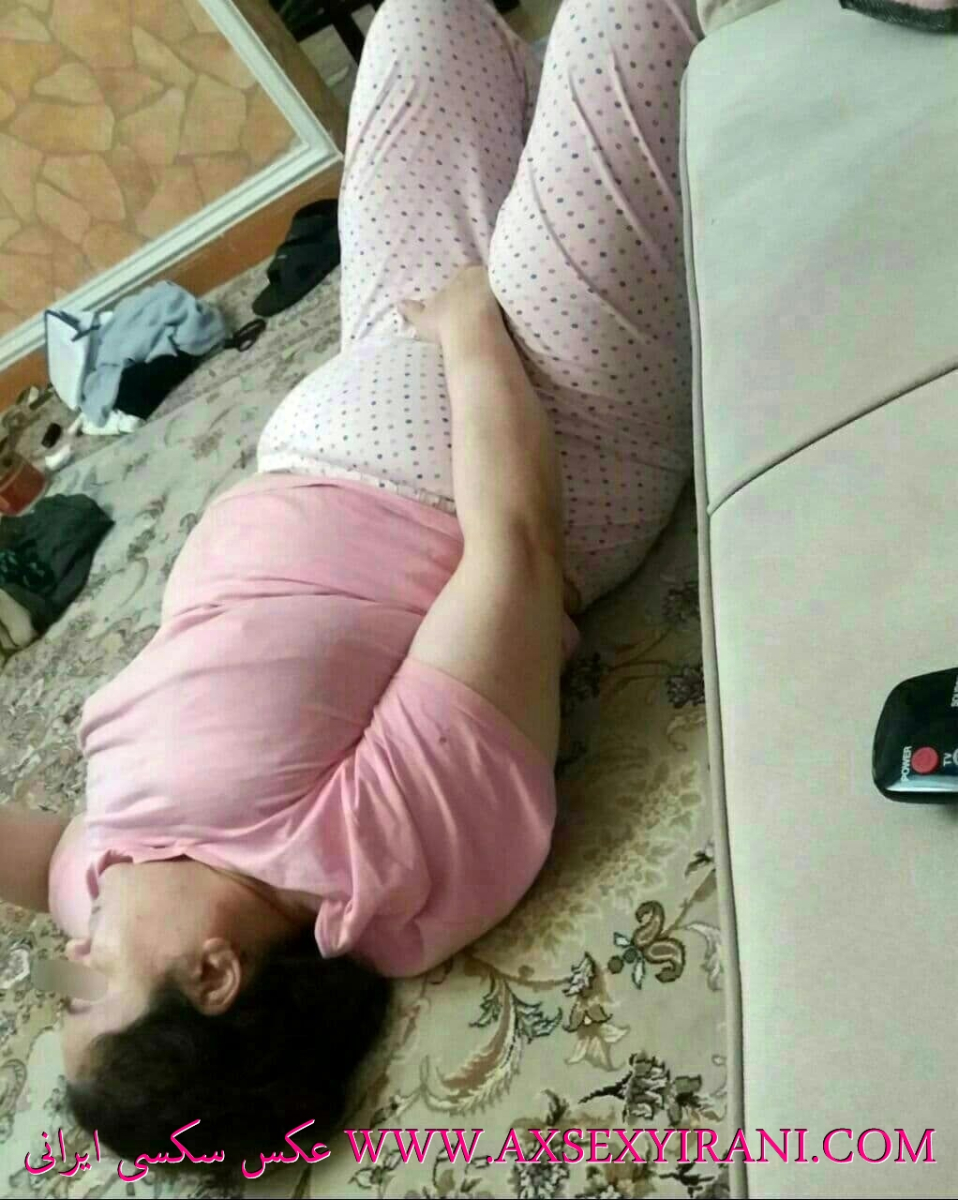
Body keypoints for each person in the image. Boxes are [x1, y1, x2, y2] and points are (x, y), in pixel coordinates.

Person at [0, 0, 701, 1171]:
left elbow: (31, 860)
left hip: (379, 360)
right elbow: (514, 553)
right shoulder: (377, 869)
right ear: (213, 976)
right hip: (549, 423)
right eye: (89, 990)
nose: (66, 958)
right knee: (626, 19)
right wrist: (471, 333)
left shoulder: (113, 883)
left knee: (426, 22)